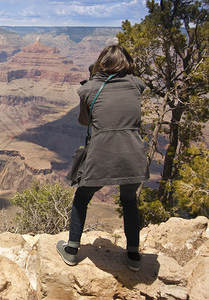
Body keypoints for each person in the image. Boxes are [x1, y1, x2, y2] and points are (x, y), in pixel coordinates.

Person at [56, 45, 149, 271]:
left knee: (82, 196)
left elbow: (84, 121)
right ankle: (134, 256)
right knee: (129, 201)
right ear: (127, 64)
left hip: (101, 154)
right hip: (133, 153)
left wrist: (91, 82)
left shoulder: (90, 89)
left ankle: (71, 250)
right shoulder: (136, 85)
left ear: (100, 63)